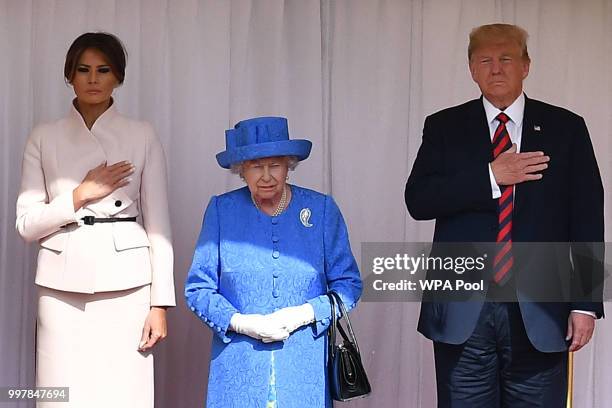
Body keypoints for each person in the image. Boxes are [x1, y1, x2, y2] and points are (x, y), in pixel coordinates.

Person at [405, 23, 604, 407]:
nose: (496, 68)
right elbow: (419, 201)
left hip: (542, 311)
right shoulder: (444, 126)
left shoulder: (567, 128)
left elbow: (587, 219)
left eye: (506, 58)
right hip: (463, 313)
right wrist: (491, 176)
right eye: (485, 60)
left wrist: (584, 303)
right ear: (471, 69)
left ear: (526, 66)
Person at [15, 32, 175, 407]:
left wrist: (159, 304)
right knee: (59, 396)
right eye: (83, 69)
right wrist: (79, 194)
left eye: (103, 70)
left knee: (125, 394)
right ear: (69, 75)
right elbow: (26, 225)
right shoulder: (44, 136)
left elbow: (159, 226)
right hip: (60, 287)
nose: (93, 79)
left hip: (130, 286)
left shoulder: (142, 134)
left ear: (118, 77)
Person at [185, 116, 362, 408]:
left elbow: (349, 285)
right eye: (256, 166)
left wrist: (304, 314)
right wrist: (241, 323)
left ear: (289, 166)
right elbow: (197, 289)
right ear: (241, 170)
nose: (266, 176)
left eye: (275, 165)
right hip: (238, 369)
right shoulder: (222, 210)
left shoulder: (321, 210)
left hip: (304, 370)